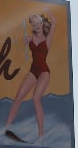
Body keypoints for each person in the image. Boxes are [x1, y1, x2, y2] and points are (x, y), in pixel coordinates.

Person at [4, 12, 53, 140]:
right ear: (31, 25)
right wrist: (24, 41)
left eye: (38, 23)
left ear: (42, 24)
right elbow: (18, 43)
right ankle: (6, 127)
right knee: (18, 97)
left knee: (36, 98)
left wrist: (48, 11)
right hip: (33, 71)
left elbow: (55, 22)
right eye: (34, 23)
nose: (36, 25)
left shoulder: (47, 39)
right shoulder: (30, 38)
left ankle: (41, 134)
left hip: (43, 72)